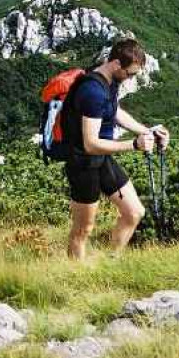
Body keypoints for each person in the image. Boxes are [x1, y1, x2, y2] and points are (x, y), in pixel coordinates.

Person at [64, 38, 169, 260]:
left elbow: (115, 112)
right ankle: (75, 275)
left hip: (102, 158)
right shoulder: (93, 91)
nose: (131, 79)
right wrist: (133, 145)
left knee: (134, 212)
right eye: (130, 74)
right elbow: (90, 144)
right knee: (84, 229)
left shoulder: (109, 82)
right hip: (83, 163)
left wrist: (146, 131)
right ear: (116, 64)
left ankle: (111, 262)